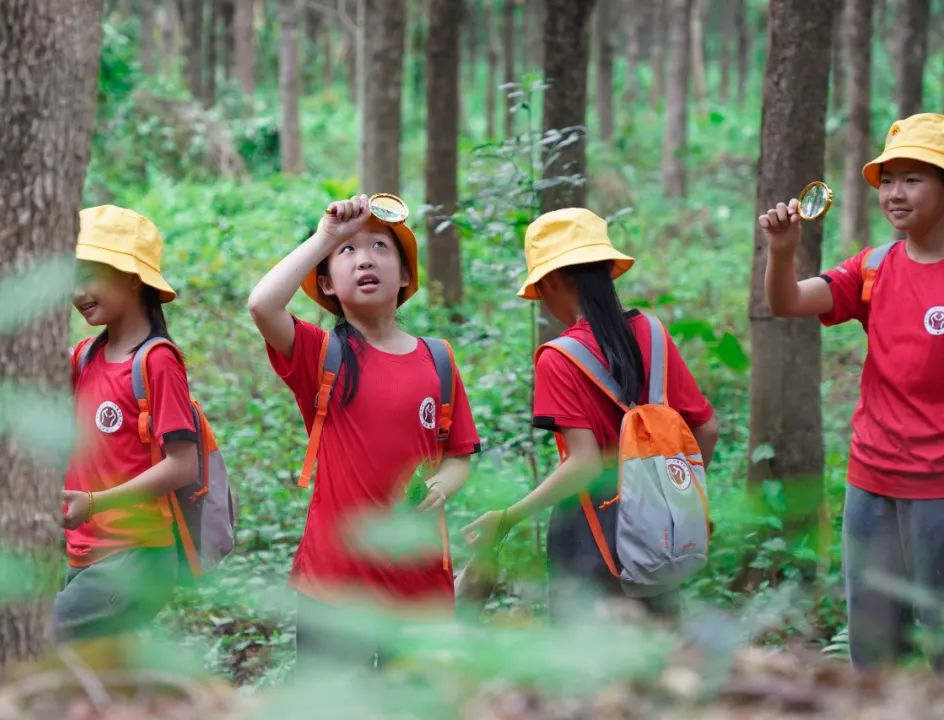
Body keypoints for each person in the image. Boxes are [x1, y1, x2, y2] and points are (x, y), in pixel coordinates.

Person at [247, 193, 481, 668]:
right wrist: (324, 237)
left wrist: (442, 484)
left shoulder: (437, 359)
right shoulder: (320, 353)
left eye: (380, 246)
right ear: (327, 284)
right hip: (334, 587)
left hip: (418, 590)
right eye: (347, 253)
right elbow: (262, 304)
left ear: (406, 276)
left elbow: (458, 456)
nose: (364, 259)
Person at [464, 208, 718, 620]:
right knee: (662, 665)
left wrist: (507, 518)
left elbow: (582, 464)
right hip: (661, 537)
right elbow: (706, 429)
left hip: (589, 541)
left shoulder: (559, 357)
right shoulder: (653, 334)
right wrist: (671, 500)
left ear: (552, 281)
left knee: (587, 676)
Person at [759, 113, 944, 669]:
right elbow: (788, 302)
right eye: (887, 180)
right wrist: (783, 250)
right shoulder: (875, 265)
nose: (894, 193)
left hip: (938, 488)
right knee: (872, 645)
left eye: (913, 178)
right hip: (871, 482)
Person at [54, 205, 198, 642]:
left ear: (134, 277)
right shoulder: (83, 357)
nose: (78, 292)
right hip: (83, 552)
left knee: (41, 640)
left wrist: (95, 503)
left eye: (90, 275)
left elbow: (182, 465)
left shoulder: (156, 361)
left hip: (135, 555)